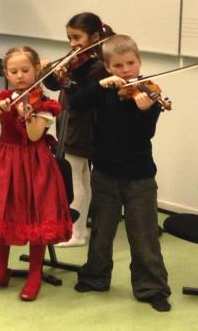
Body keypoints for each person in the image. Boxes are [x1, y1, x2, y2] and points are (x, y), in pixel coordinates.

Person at [69, 34, 172, 312]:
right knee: (102, 232)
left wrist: (144, 113)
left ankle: (152, 288)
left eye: (130, 63)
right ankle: (95, 277)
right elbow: (76, 103)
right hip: (104, 173)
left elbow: (144, 134)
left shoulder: (149, 93)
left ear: (139, 61)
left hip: (140, 177)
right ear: (107, 67)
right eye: (118, 66)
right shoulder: (103, 90)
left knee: (144, 235)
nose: (126, 70)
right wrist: (98, 86)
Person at [0, 46, 72, 302]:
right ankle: (1, 270)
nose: (20, 76)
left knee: (35, 215)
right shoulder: (1, 97)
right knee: (1, 212)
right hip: (4, 160)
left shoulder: (45, 104)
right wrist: (1, 109)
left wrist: (27, 115)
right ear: (6, 73)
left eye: (26, 70)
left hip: (35, 163)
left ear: (36, 70)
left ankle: (34, 275)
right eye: (13, 71)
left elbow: (35, 135)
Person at [42, 12, 112, 247]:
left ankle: (75, 233)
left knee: (74, 177)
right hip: (70, 120)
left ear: (94, 36)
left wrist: (65, 82)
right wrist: (49, 75)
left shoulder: (99, 64)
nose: (72, 44)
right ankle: (79, 231)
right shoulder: (77, 57)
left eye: (77, 37)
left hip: (82, 124)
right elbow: (55, 84)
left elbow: (83, 96)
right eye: (69, 38)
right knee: (81, 175)